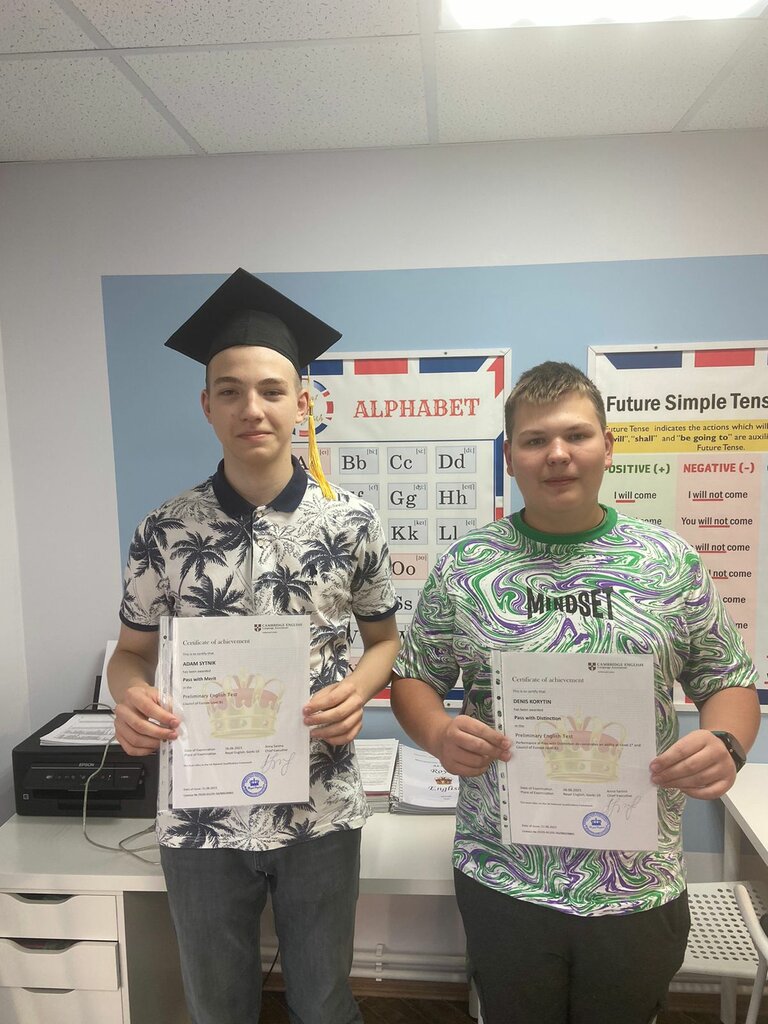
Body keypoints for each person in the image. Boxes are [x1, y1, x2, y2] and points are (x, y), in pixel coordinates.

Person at [390, 360, 761, 1024]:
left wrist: (727, 743)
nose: (557, 454)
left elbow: (727, 678)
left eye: (576, 435)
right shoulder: (468, 567)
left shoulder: (667, 561)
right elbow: (414, 676)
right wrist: (439, 733)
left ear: (607, 446)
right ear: (510, 457)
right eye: (535, 440)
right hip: (504, 872)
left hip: (637, 878)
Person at [108, 268, 399, 1024]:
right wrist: (129, 696)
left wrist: (359, 688)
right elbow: (129, 653)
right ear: (206, 405)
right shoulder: (163, 528)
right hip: (199, 812)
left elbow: (384, 640)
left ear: (303, 402)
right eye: (230, 391)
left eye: (272, 390)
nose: (252, 408)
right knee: (217, 1006)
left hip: (320, 802)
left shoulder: (351, 522)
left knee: (324, 1002)